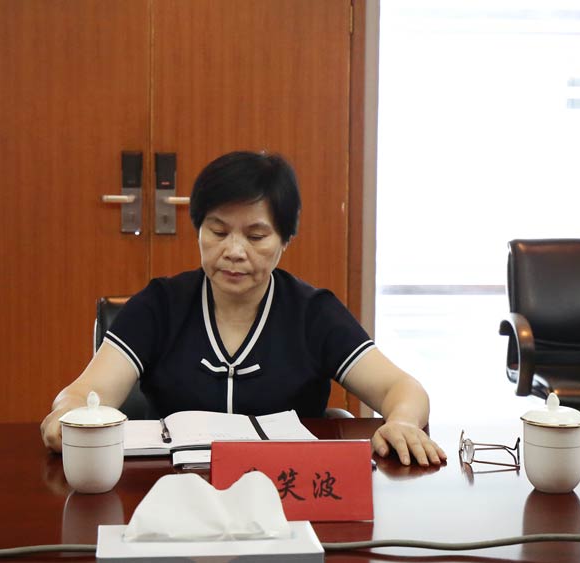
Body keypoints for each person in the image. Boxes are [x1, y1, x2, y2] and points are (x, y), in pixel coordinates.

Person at [41, 151, 446, 466]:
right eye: (218, 231)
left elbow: (402, 389)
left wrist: (402, 421)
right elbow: (84, 394)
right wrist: (67, 413)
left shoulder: (313, 313)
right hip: (175, 491)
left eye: (255, 236)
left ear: (285, 240)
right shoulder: (160, 306)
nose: (234, 251)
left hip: (290, 496)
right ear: (199, 230)